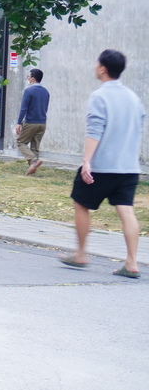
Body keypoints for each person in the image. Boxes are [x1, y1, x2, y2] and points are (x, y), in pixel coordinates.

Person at [60, 50, 145, 278]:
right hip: (128, 167)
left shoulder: (100, 96)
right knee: (126, 211)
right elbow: (138, 129)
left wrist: (86, 161)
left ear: (102, 68)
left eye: (97, 63)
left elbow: (95, 129)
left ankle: (80, 254)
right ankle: (132, 262)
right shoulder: (133, 97)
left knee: (80, 204)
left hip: (101, 166)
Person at [15, 68, 50, 175]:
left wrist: (19, 122)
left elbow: (24, 108)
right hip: (42, 122)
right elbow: (46, 107)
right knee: (35, 147)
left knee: (21, 142)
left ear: (33, 79)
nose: (28, 78)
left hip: (31, 122)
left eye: (28, 76)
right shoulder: (46, 92)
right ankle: (32, 171)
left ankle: (34, 161)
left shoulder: (28, 91)